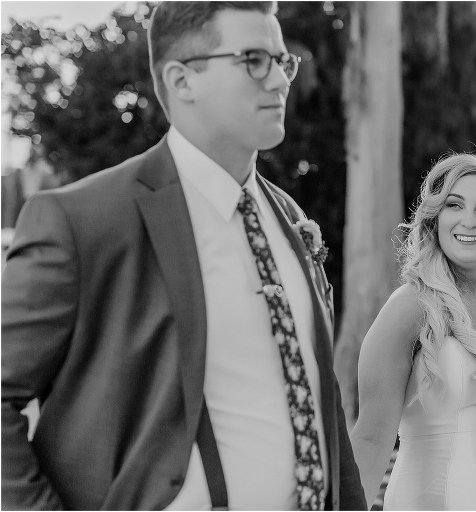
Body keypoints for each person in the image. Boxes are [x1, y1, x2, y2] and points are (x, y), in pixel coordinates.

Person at [1, 2, 365, 510]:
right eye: (254, 60)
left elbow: (318, 394)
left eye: (283, 61)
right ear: (182, 79)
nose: (280, 80)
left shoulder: (289, 217)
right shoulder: (86, 221)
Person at [351, 153, 476, 510]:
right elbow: (371, 438)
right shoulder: (409, 308)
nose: (468, 221)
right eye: (454, 205)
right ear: (436, 217)